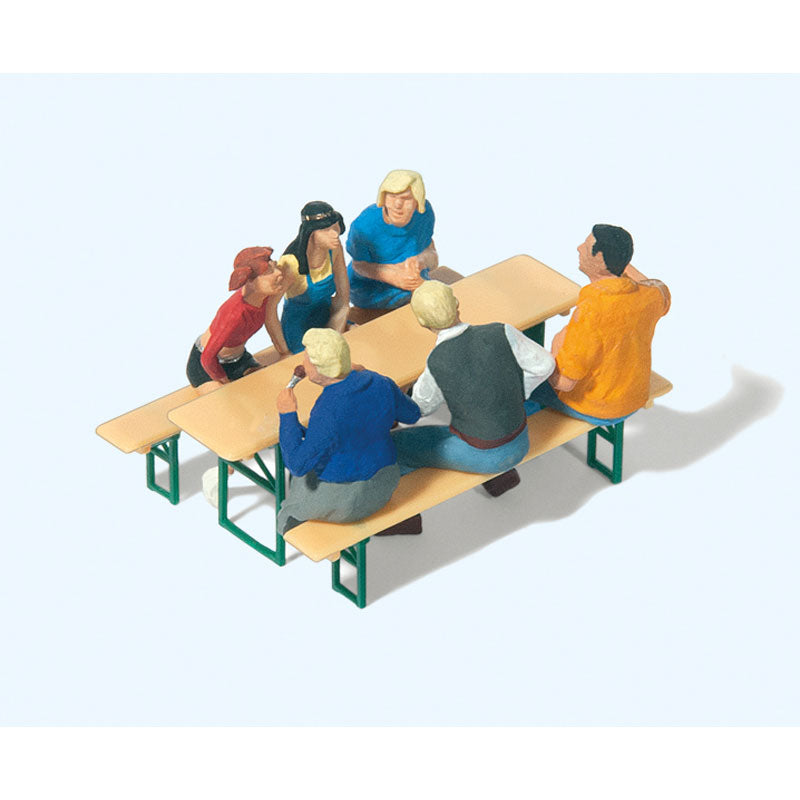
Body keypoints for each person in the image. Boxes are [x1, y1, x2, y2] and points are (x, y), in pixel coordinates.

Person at [392, 281, 555, 498]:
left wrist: (398, 395)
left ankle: (405, 509)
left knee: (399, 444)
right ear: (457, 304)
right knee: (473, 417)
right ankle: (501, 478)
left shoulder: (437, 360)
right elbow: (545, 364)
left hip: (482, 454)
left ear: (422, 322)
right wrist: (519, 390)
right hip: (520, 438)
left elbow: (420, 410)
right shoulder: (502, 331)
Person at [275, 328, 421, 534]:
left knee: (292, 503)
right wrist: (366, 375)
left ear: (321, 370)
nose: (303, 364)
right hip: (386, 481)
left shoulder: (328, 410)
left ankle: (294, 529)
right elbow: (412, 414)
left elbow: (297, 465)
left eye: (306, 359)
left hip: (350, 500)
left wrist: (287, 415)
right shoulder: (380, 381)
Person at [525, 224, 671, 425]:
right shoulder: (649, 297)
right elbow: (658, 286)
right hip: (634, 395)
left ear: (600, 258)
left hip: (598, 407)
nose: (579, 248)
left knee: (523, 382)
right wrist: (620, 263)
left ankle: (527, 429)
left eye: (586, 247)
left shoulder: (592, 311)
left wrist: (556, 345)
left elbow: (564, 383)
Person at [346, 169, 460, 320]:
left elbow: (430, 252)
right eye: (392, 197)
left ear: (417, 201)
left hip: (413, 280)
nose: (398, 204)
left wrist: (421, 260)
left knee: (440, 306)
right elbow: (359, 265)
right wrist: (394, 276)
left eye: (406, 199)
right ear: (383, 198)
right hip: (370, 289)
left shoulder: (424, 214)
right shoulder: (364, 226)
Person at [187, 246, 290, 394]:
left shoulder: (264, 298)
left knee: (265, 385)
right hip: (206, 366)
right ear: (249, 281)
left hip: (239, 360)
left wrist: (285, 352)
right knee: (226, 397)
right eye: (269, 271)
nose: (278, 273)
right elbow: (207, 358)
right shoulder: (234, 314)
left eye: (274, 266)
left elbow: (272, 319)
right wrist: (225, 382)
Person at [279, 201, 350, 354]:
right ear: (310, 233)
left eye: (335, 227)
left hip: (327, 318)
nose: (335, 234)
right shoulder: (290, 263)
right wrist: (283, 352)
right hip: (299, 329)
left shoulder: (334, 249)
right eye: (326, 230)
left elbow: (343, 302)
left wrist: (334, 336)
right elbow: (269, 311)